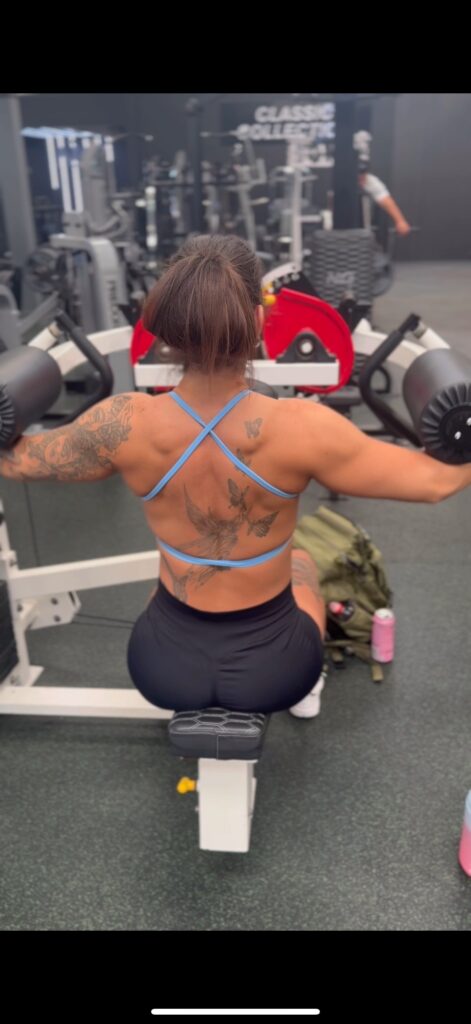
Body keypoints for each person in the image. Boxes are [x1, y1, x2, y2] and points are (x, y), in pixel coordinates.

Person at [1, 234, 470, 717]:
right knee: (302, 561)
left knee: (160, 590)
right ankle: (308, 690)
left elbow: (16, 460)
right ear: (258, 320)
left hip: (160, 666)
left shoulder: (123, 423)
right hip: (278, 670)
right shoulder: (302, 428)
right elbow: (438, 481)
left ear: (169, 331)